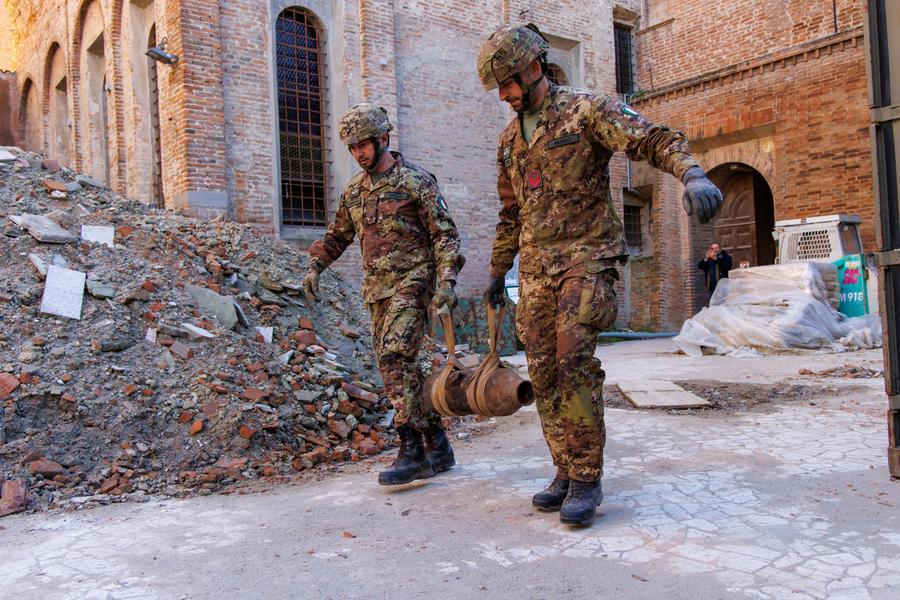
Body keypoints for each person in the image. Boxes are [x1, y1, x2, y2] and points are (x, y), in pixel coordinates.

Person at [476, 24, 723, 526]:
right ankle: (564, 471)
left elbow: (650, 138)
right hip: (537, 268)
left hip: (588, 258)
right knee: (542, 370)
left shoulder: (586, 110)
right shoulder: (508, 141)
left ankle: (587, 476)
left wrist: (692, 172)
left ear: (533, 68)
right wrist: (497, 271)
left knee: (573, 359)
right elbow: (511, 214)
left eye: (507, 82)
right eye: (498, 87)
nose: (504, 95)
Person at [301, 104, 464, 486]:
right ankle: (438, 445)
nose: (358, 154)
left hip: (414, 282)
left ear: (383, 139)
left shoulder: (415, 181)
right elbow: (337, 236)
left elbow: (444, 234)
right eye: (352, 147)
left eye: (364, 145)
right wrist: (315, 268)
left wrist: (447, 282)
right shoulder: (355, 192)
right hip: (377, 292)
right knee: (403, 367)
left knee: (393, 357)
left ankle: (412, 452)